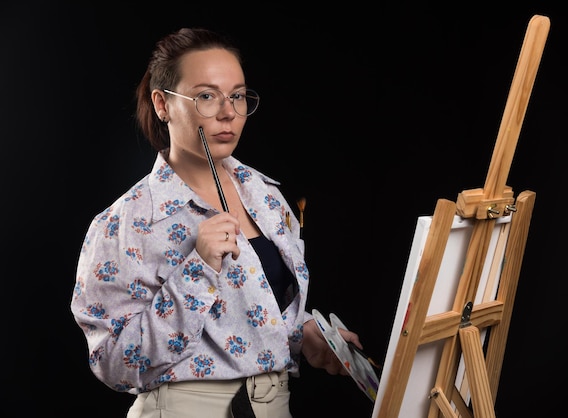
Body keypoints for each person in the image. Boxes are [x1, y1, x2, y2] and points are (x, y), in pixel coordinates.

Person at [70, 27, 364, 418]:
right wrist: (198, 269)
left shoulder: (266, 196)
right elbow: (114, 364)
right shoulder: (125, 222)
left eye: (238, 96)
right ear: (162, 104)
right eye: (206, 96)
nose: (228, 112)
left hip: (273, 406)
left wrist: (305, 336)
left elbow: (254, 314)